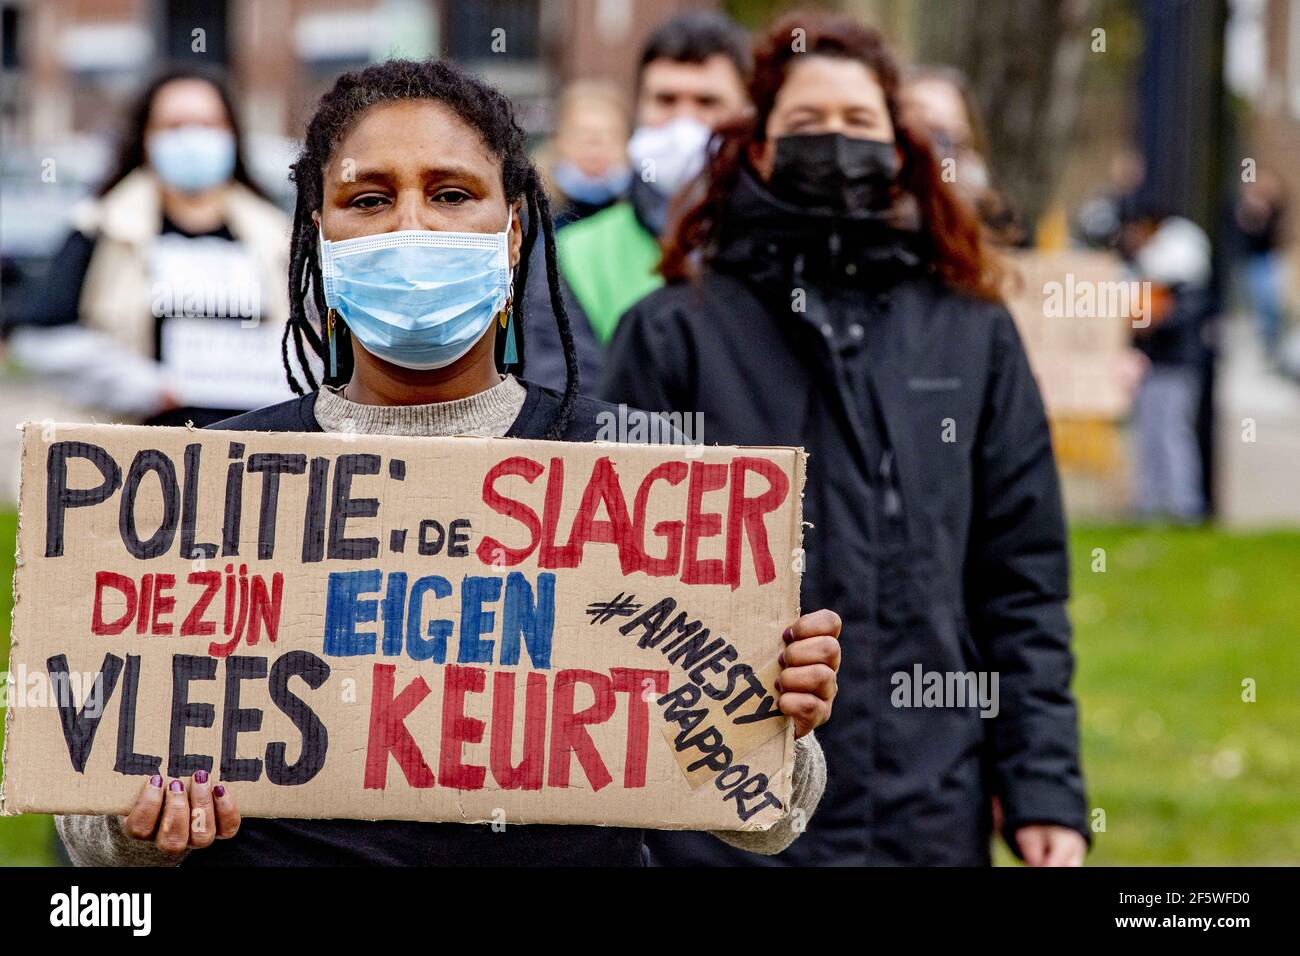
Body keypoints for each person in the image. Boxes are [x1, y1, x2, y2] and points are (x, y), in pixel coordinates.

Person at [53, 57, 842, 867]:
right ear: (317, 238)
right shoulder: (210, 486)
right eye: (368, 199)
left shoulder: (644, 481)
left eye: (451, 193)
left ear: (513, 235)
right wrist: (139, 826)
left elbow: (769, 817)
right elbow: (89, 838)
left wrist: (779, 717)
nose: (411, 226)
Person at [602, 12, 1089, 866]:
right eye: (805, 125)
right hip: (724, 819)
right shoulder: (672, 335)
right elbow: (613, 587)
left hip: (928, 807)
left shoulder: (972, 332)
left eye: (859, 123)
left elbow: (1022, 580)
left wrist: (1044, 785)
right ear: (756, 148)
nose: (834, 142)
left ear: (902, 144)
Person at [5, 67, 293, 427]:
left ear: (232, 135)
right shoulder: (102, 226)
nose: (193, 138)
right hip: (137, 450)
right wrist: (141, 385)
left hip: (253, 451)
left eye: (208, 124)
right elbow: (39, 339)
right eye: (174, 126)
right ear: (145, 137)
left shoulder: (277, 236)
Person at [522, 10, 751, 392]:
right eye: (666, 100)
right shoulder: (576, 254)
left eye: (707, 102)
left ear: (746, 113)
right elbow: (565, 399)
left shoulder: (778, 244)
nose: (684, 123)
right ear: (638, 108)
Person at [1121, 209, 1213, 522]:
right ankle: (1150, 503)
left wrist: (1149, 321)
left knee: (1173, 435)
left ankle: (1184, 505)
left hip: (1176, 371)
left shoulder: (1188, 294)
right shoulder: (1157, 291)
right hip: (1154, 369)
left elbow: (1167, 323)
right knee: (1149, 435)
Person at [537, 81, 631, 229]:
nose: (595, 150)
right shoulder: (533, 215)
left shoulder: (643, 214)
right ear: (559, 141)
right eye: (581, 135)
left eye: (609, 136)